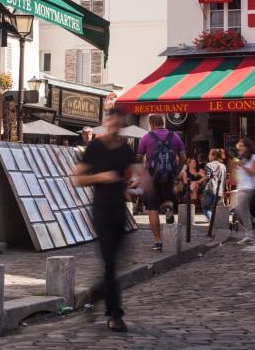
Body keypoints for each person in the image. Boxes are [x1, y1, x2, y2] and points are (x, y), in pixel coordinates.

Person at [72, 108, 133, 332]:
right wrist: (102, 177)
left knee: (116, 263)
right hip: (101, 211)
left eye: (121, 124)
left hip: (120, 211)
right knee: (110, 263)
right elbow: (77, 178)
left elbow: (136, 171)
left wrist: (144, 184)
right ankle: (114, 314)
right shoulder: (95, 147)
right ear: (107, 122)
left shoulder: (125, 148)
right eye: (114, 123)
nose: (117, 127)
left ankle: (97, 292)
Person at [137, 114, 185, 251]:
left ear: (151, 125)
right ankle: (168, 208)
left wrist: (142, 174)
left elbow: (138, 158)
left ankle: (158, 241)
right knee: (167, 199)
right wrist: (177, 172)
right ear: (164, 123)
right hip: (169, 177)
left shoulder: (146, 137)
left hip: (151, 179)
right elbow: (183, 157)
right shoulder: (175, 137)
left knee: (153, 209)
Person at [233, 138, 255, 244]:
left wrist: (242, 166)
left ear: (247, 147)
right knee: (237, 212)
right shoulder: (241, 158)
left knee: (242, 210)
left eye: (242, 146)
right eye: (239, 146)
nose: (240, 148)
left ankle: (249, 235)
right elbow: (236, 175)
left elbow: (254, 172)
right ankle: (252, 224)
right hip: (240, 187)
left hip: (249, 187)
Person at [202, 149, 227, 223]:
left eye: (209, 154)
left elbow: (207, 177)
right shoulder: (223, 166)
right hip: (219, 190)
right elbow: (224, 179)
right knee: (218, 208)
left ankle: (212, 222)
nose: (208, 156)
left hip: (210, 188)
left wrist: (201, 180)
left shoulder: (208, 165)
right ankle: (219, 223)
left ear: (213, 155)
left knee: (206, 207)